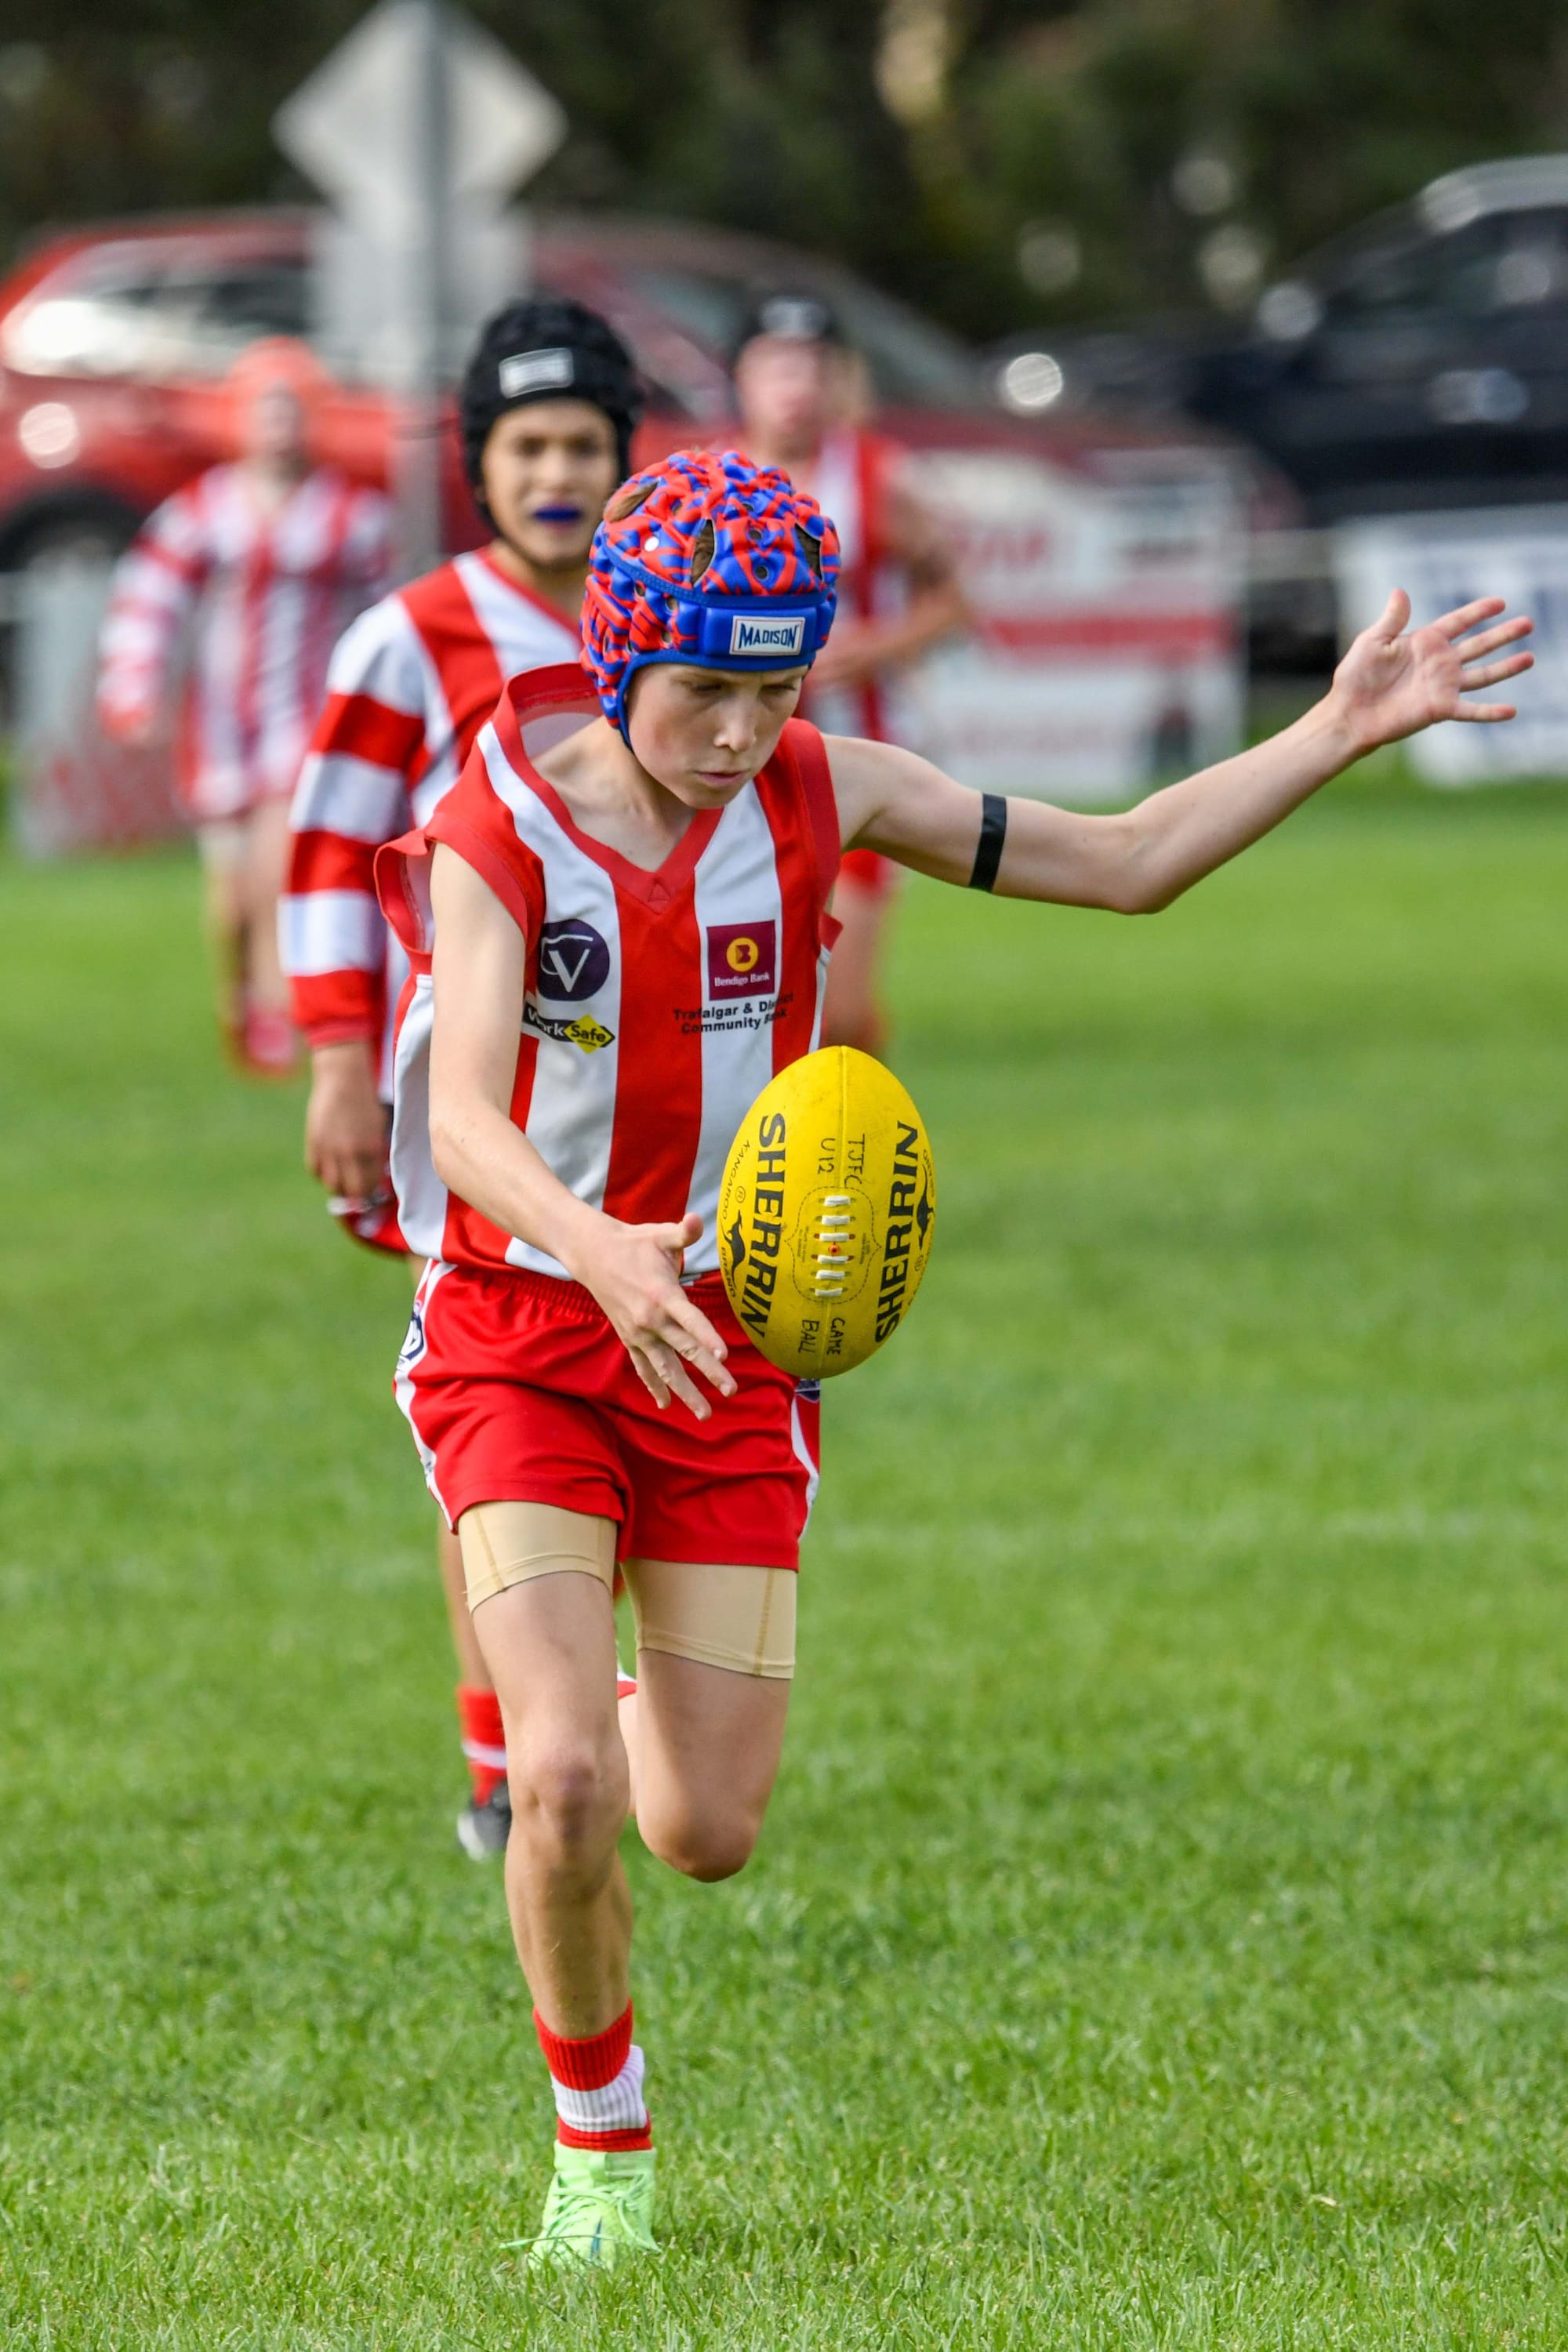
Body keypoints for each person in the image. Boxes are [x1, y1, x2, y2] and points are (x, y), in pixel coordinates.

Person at [372, 448, 1530, 2267]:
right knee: (568, 1789)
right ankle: (599, 2155)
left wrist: (1329, 732)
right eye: (705, 690)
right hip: (524, 1331)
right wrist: (593, 1244)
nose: (742, 732)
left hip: (728, 1363)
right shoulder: (500, 814)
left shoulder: (829, 791)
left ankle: (580, 1732)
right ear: (619, 654)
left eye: (775, 689)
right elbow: (454, 1113)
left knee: (703, 1822)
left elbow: (1127, 860)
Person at [281, 298, 642, 1860]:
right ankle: (505, 1757)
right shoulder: (413, 635)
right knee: (499, 1416)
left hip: (658, 1102)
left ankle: (596, 1721)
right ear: (476, 464)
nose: (558, 472)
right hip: (472, 1108)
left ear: (629, 461)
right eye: (528, 446)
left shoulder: (675, 618)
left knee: (649, 1409)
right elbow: (322, 853)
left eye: (585, 445)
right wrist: (339, 1065)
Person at [98, 339, 390, 1076]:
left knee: (277, 863)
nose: (281, 427)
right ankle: (241, 1000)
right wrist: (133, 689)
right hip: (222, 730)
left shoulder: (350, 515)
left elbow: (390, 612)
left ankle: (278, 1012)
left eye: (294, 410)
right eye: (267, 410)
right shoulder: (204, 509)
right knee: (230, 896)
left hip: (306, 723)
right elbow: (149, 600)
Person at [730, 289, 968, 1054]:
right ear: (740, 378)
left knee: (840, 1014)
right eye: (775, 365)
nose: (794, 385)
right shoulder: (706, 483)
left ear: (837, 379)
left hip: (853, 768)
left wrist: (879, 644)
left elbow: (954, 602)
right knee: (754, 1011)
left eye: (812, 366)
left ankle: (856, 1142)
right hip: (734, 769)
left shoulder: (877, 478)